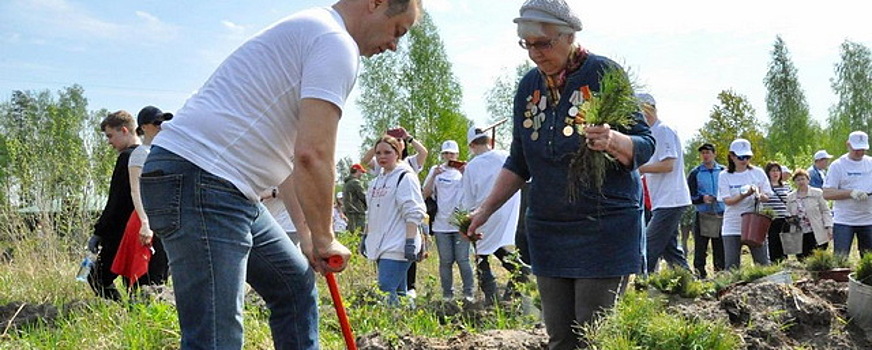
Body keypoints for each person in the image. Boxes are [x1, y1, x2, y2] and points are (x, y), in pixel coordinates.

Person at [138, 1, 420, 348]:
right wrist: (326, 235)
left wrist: (308, 234)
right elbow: (313, 154)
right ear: (375, 3)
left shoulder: (315, 32)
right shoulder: (335, 42)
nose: (394, 45)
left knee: (294, 285)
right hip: (202, 179)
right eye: (398, 31)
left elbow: (288, 158)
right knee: (216, 338)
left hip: (221, 185)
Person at [466, 1, 655, 347]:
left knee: (593, 337)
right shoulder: (528, 88)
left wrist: (614, 140)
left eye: (544, 43)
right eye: (528, 45)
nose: (535, 54)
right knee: (559, 338)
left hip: (603, 228)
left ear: (569, 37)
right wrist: (484, 210)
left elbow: (645, 143)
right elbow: (519, 162)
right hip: (549, 229)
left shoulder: (602, 74)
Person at [460, 127, 530, 305]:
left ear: (471, 145)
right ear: (489, 141)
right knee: (499, 249)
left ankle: (492, 301)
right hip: (508, 212)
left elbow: (468, 198)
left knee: (482, 256)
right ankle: (512, 289)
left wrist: (467, 221)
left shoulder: (472, 166)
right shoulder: (506, 156)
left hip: (483, 213)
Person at [361, 126, 428, 297]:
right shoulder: (377, 180)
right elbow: (372, 212)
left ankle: (389, 322)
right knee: (399, 293)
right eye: (379, 153)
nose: (382, 157)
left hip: (397, 243)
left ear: (397, 153)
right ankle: (404, 321)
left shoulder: (405, 176)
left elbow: (413, 210)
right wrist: (366, 235)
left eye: (387, 152)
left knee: (385, 289)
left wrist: (410, 241)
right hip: (380, 243)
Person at [111, 106, 172, 289]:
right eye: (157, 123)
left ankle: (155, 312)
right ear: (144, 127)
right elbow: (135, 190)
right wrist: (145, 223)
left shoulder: (166, 152)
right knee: (144, 274)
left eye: (163, 122)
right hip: (144, 219)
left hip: (164, 219)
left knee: (162, 271)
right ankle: (138, 312)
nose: (161, 126)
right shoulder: (141, 153)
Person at [87, 110, 141, 301]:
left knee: (97, 277)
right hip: (145, 231)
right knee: (136, 285)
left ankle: (119, 311)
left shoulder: (127, 157)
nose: (109, 142)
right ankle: (131, 318)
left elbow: (117, 201)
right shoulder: (149, 154)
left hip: (123, 232)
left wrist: (99, 232)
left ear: (124, 130)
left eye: (111, 135)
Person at [636, 93, 692, 273]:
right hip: (661, 200)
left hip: (671, 199)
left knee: (649, 246)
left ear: (648, 109)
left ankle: (642, 286)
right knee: (670, 249)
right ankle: (688, 282)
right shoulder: (651, 133)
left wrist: (641, 168)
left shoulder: (664, 130)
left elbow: (668, 164)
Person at [422, 140, 474, 301]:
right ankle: (447, 294)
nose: (449, 156)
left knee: (463, 260)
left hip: (461, 222)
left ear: (457, 155)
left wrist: (466, 172)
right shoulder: (436, 170)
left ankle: (468, 293)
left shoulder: (465, 170)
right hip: (441, 224)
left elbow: (473, 190)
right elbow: (425, 193)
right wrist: (434, 176)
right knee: (445, 261)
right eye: (446, 153)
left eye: (452, 153)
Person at [718, 139, 772, 270]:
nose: (744, 160)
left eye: (747, 157)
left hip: (754, 224)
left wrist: (758, 195)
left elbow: (767, 196)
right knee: (732, 266)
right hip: (732, 224)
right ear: (732, 156)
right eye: (740, 157)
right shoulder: (724, 175)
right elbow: (727, 201)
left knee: (762, 263)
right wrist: (744, 195)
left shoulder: (758, 172)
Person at [822, 131, 872, 257]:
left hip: (868, 219)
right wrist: (850, 193)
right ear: (848, 145)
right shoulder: (838, 165)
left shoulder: (870, 163)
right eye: (856, 149)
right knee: (841, 257)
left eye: (863, 149)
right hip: (844, 220)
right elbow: (827, 194)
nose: (860, 152)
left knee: (869, 259)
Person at [686, 143, 726, 279]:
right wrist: (702, 198)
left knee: (720, 246)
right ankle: (700, 274)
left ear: (714, 154)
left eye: (708, 152)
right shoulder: (695, 173)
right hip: (702, 214)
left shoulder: (723, 171)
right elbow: (689, 195)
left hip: (721, 213)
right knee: (700, 246)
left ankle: (720, 273)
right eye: (703, 153)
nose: (705, 155)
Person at [786, 169, 833, 260]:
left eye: (803, 179)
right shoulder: (790, 197)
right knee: (802, 259)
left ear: (808, 180)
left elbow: (825, 211)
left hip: (816, 231)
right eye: (798, 180)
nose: (801, 182)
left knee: (818, 258)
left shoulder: (817, 193)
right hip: (799, 233)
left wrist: (829, 226)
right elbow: (788, 212)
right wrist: (790, 218)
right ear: (794, 182)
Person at [761, 162, 792, 263]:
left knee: (784, 242)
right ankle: (774, 262)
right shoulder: (765, 187)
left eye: (778, 170)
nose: (776, 173)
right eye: (773, 171)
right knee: (773, 242)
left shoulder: (786, 186)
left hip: (785, 218)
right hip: (771, 219)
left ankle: (784, 261)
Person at [343, 163, 368, 234]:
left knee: (352, 234)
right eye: (361, 172)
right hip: (357, 213)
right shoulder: (355, 182)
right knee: (360, 234)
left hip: (350, 213)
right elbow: (363, 197)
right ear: (357, 171)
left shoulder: (347, 183)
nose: (362, 174)